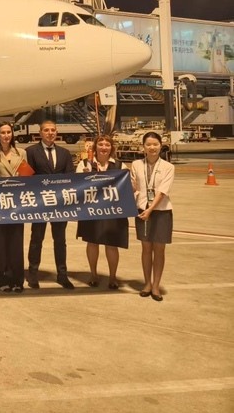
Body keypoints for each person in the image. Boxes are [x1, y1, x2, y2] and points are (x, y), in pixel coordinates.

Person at [25, 120, 76, 289]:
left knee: (60, 240)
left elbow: (70, 177)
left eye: (53, 130)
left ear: (57, 132)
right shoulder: (30, 152)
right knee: (36, 239)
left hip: (59, 204)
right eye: (46, 130)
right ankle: (33, 274)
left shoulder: (65, 153)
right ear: (40, 133)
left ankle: (62, 274)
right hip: (39, 204)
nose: (50, 133)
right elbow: (26, 177)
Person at [76, 135, 128, 289]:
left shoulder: (120, 166)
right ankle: (93, 274)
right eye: (101, 144)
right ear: (95, 147)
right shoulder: (84, 164)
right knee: (92, 242)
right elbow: (77, 187)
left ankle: (112, 277)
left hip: (113, 211)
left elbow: (127, 187)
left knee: (112, 244)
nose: (104, 147)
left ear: (111, 148)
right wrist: (84, 176)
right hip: (91, 210)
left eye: (107, 145)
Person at [130, 131, 175, 302]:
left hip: (161, 211)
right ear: (143, 147)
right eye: (148, 144)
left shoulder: (168, 167)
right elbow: (134, 186)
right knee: (146, 248)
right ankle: (147, 284)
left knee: (159, 249)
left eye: (155, 144)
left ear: (161, 146)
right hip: (142, 210)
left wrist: (150, 210)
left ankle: (156, 285)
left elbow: (163, 191)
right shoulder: (136, 164)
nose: (152, 147)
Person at [0, 122, 27, 293]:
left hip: (16, 203)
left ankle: (16, 278)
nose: (6, 135)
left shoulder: (21, 152)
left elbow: (27, 176)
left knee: (15, 241)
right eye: (2, 132)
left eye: (9, 132)